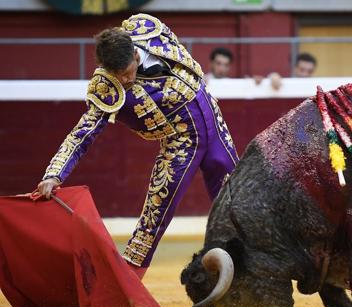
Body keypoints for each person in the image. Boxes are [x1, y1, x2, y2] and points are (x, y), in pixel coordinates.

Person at [35, 13, 239, 279]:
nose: (126, 82)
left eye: (127, 73)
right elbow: (82, 133)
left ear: (134, 55)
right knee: (153, 217)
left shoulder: (148, 28)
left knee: (236, 201)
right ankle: (128, 283)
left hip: (213, 121)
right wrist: (54, 173)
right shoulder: (106, 87)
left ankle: (249, 268)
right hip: (180, 143)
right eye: (117, 77)